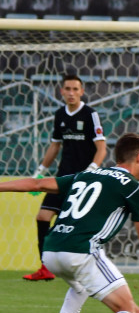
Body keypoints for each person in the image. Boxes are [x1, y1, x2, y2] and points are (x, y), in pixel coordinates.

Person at [0, 132, 139, 313]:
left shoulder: (86, 175)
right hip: (80, 252)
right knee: (129, 309)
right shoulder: (133, 188)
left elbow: (37, 184)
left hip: (51, 250)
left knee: (80, 286)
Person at [24, 73, 107, 281]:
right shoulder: (60, 114)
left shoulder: (90, 114)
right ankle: (45, 267)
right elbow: (55, 145)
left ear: (82, 91)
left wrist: (92, 169)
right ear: (61, 91)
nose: (71, 93)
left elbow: (102, 148)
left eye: (75, 89)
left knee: (76, 224)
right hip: (62, 178)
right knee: (43, 217)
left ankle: (87, 266)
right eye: (67, 89)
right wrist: (40, 171)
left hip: (83, 180)